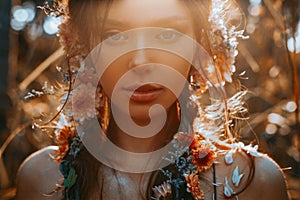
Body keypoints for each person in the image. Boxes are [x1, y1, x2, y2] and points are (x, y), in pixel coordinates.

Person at [16, 0, 289, 199]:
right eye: (115, 35)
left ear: (200, 45)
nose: (141, 60)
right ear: (85, 46)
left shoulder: (255, 183)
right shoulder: (42, 179)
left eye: (167, 34)